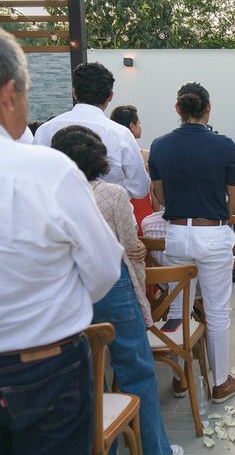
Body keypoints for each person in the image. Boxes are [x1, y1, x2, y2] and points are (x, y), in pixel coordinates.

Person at [0, 28, 122, 454]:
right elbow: (105, 269)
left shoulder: (49, 139)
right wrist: (55, 294)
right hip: (41, 369)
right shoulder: (46, 170)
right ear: (10, 93)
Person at [51, 126, 183, 455]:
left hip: (70, 290)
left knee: (85, 376)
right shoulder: (112, 194)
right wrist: (140, 287)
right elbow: (131, 247)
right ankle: (156, 450)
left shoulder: (50, 196)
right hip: (114, 287)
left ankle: (102, 445)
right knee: (137, 371)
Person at [148, 82, 235, 403]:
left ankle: (181, 379)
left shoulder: (160, 146)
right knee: (216, 311)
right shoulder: (224, 146)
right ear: (208, 108)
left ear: (178, 109)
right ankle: (219, 383)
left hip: (176, 232)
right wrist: (216, 215)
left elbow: (159, 197)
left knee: (178, 309)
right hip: (212, 231)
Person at [33, 62, 149, 199]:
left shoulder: (46, 130)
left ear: (74, 92)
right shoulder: (121, 134)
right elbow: (140, 188)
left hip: (57, 214)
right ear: (110, 96)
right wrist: (112, 197)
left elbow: (34, 178)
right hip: (107, 216)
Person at [111, 104, 159, 234]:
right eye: (139, 123)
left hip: (118, 221)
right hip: (144, 220)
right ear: (132, 126)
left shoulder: (110, 156)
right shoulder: (145, 156)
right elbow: (155, 201)